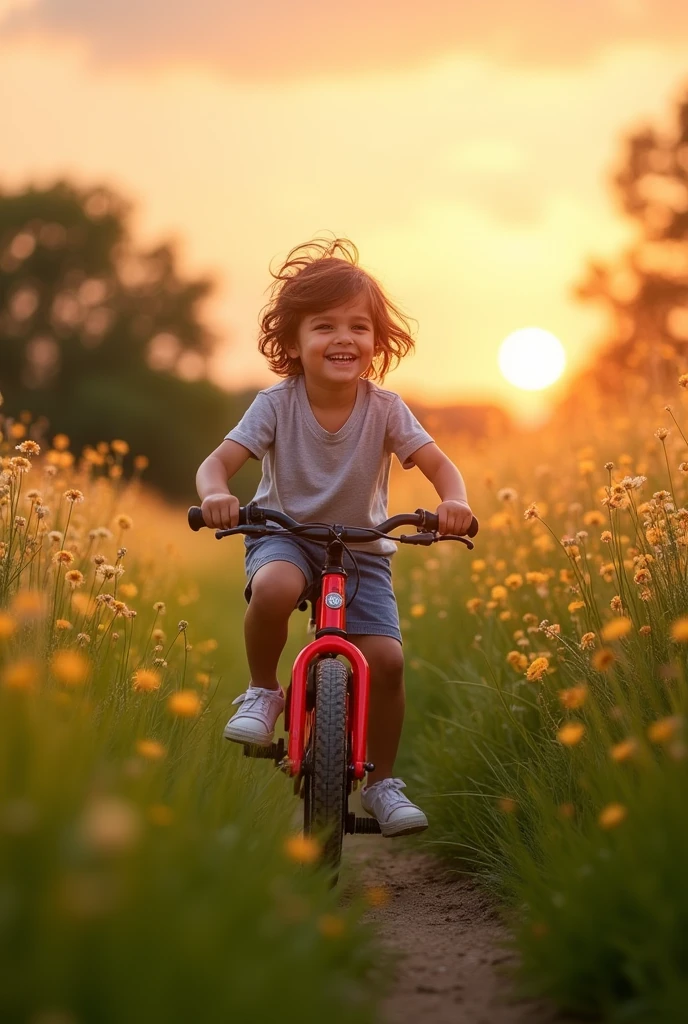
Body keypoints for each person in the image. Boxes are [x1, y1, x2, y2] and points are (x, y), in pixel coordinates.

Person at [195, 237, 474, 837]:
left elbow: (442, 467)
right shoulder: (275, 404)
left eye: (359, 326)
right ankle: (264, 691)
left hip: (364, 546)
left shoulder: (387, 408)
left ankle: (383, 783)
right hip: (286, 534)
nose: (343, 338)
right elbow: (216, 465)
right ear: (292, 342)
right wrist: (218, 494)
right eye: (324, 326)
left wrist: (455, 502)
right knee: (273, 589)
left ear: (377, 342)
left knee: (388, 661)